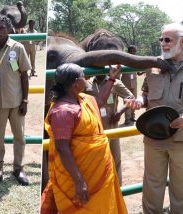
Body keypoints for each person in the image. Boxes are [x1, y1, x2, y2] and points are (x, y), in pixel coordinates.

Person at [125, 23, 183, 213]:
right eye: (161, 40)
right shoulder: (153, 66)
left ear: (182, 42)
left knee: (180, 188)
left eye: (168, 40)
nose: (163, 44)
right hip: (154, 137)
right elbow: (146, 94)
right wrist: (139, 101)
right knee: (152, 186)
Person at [40, 63, 127, 213]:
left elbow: (99, 101)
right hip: (80, 177)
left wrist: (112, 79)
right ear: (76, 83)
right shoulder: (63, 112)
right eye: (83, 76)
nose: (86, 79)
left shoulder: (83, 99)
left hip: (98, 173)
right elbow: (62, 148)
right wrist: (79, 181)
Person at [0, 14, 31, 186]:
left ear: (9, 29)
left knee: (19, 136)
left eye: (2, 28)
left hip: (17, 102)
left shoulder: (17, 48)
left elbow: (24, 75)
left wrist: (25, 100)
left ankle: (18, 168)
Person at [86, 75, 134, 185]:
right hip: (93, 126)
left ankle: (118, 188)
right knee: (97, 160)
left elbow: (131, 97)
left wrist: (120, 112)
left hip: (111, 125)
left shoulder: (115, 82)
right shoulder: (88, 83)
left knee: (115, 157)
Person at [121, 45, 140, 125]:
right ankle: (127, 119)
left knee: (134, 100)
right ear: (128, 52)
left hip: (134, 83)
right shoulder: (124, 60)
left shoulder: (137, 60)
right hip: (126, 82)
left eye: (134, 51)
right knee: (127, 100)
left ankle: (133, 116)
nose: (133, 53)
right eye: (131, 51)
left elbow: (139, 73)